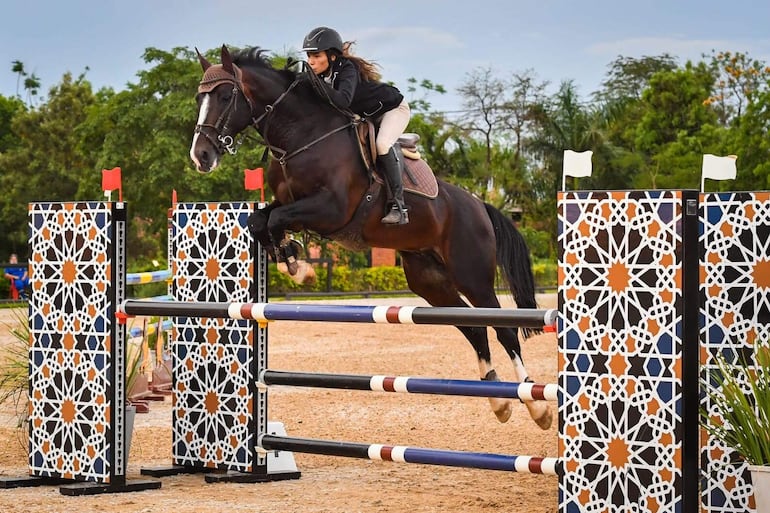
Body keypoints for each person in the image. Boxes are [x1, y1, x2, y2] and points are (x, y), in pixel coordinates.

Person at [302, 26, 411, 225]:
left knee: (382, 145)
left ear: (332, 56)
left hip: (392, 109)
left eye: (316, 56)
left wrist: (316, 86)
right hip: (367, 116)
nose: (311, 61)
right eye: (309, 56)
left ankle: (399, 206)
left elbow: (342, 100)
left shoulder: (346, 69)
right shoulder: (321, 76)